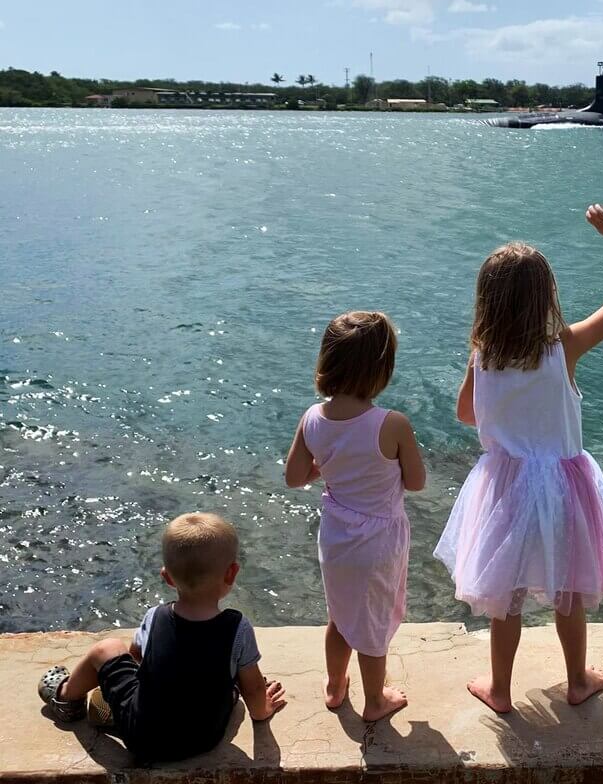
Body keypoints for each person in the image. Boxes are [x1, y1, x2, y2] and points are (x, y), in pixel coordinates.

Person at [435, 204, 603, 714]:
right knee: (567, 588)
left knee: (507, 594)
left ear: (487, 302)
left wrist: (505, 417)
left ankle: (500, 689)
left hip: (505, 486)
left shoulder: (482, 356)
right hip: (563, 486)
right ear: (547, 296)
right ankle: (576, 680)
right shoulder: (563, 348)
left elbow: (465, 414)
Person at [37, 513, 286, 761]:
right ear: (232, 573)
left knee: (108, 648)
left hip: (142, 738)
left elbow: (136, 661)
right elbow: (253, 691)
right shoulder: (238, 627)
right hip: (205, 737)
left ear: (166, 577)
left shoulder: (155, 617)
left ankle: (67, 698)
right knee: (232, 686)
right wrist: (264, 710)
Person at [285, 311, 426, 722]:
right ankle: (374, 701)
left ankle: (334, 686)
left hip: (336, 536)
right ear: (382, 369)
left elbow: (295, 477)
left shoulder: (312, 418)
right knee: (373, 623)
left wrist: (326, 465)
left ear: (326, 361)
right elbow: (415, 482)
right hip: (379, 541)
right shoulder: (392, 424)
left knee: (340, 614)